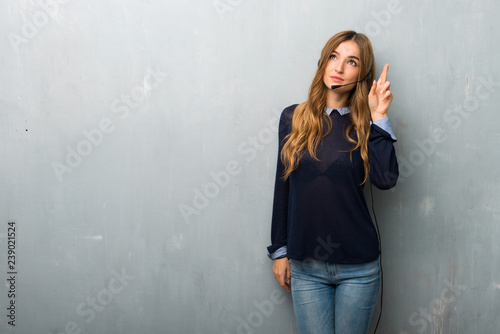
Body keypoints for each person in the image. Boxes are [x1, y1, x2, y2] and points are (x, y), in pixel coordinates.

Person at [267, 30, 399, 334]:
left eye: (351, 62)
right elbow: (282, 185)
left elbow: (386, 179)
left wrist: (379, 118)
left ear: (362, 74)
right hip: (305, 267)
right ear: (323, 62)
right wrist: (279, 251)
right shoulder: (293, 118)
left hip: (359, 267)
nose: (338, 68)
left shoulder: (365, 124)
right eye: (333, 57)